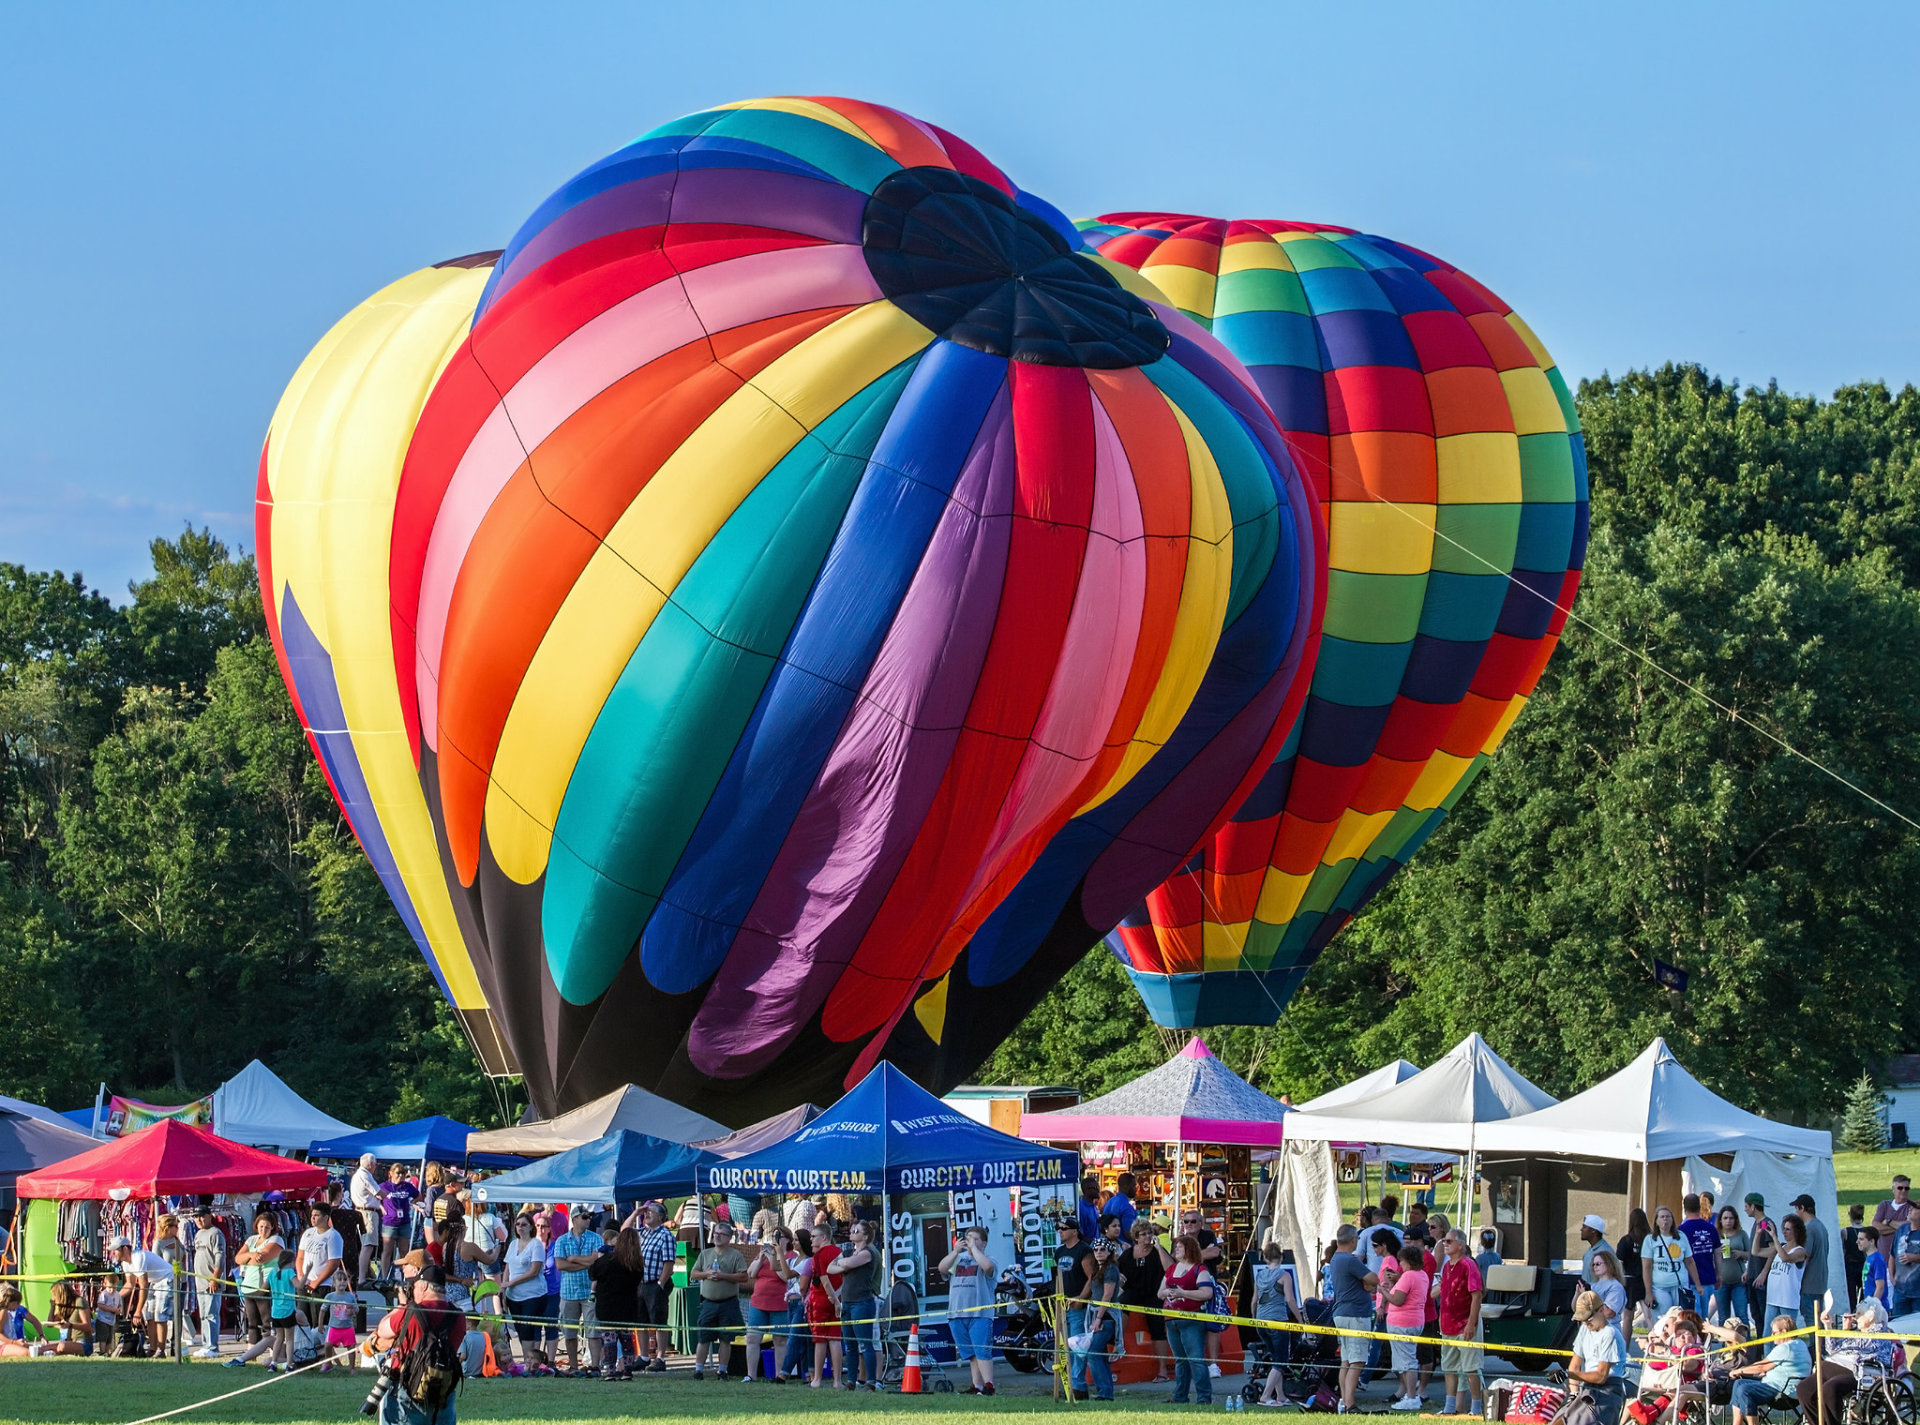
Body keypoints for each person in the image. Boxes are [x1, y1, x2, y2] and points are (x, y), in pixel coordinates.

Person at [369, 1266, 468, 1425]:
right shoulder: (459, 1317)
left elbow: (382, 1331)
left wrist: (402, 1305)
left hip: (411, 1388)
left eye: (414, 1286)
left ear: (424, 1286)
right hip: (444, 1388)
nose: (412, 1290)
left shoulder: (410, 1312)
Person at [1798, 1297, 1898, 1423]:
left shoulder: (1879, 1331)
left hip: (1858, 1372)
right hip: (1832, 1367)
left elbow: (1864, 1344)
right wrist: (1828, 1325)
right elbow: (1832, 1349)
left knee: (1830, 1388)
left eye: (1859, 1314)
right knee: (1804, 1389)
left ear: (1871, 1316)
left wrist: (1846, 1332)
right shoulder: (1856, 1332)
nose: (1855, 1317)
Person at [1157, 1233, 1216, 1407]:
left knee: (1196, 1359)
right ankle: (1180, 1396)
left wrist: (1183, 1293)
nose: (1176, 1249)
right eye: (1175, 1247)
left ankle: (1204, 1397)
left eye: (1180, 1247)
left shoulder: (1200, 1269)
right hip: (1171, 1319)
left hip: (1192, 1320)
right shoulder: (1171, 1269)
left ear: (1189, 1249)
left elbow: (1207, 1293)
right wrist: (1168, 1292)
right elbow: (1160, 1293)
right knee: (1180, 1360)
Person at [691, 1218, 750, 1382]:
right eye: (716, 1233)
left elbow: (744, 1276)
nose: (717, 1236)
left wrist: (723, 1276)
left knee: (726, 1338)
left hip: (728, 1302)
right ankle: (698, 1370)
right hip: (708, 1302)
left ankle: (722, 1370)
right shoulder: (705, 1254)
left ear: (729, 1238)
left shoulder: (735, 1255)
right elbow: (694, 1274)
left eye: (721, 1234)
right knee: (704, 1337)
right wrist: (706, 1274)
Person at [1329, 1224, 1379, 1413]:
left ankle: (1343, 1401)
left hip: (1341, 1312)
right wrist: (1368, 1282)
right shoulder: (1350, 1260)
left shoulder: (1335, 1258)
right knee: (1357, 1361)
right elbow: (1373, 1279)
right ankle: (1350, 1404)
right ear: (1352, 1240)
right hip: (1355, 1314)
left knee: (1346, 1361)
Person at [825, 1218, 880, 1389]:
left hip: (862, 1303)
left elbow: (847, 1263)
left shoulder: (868, 1252)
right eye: (852, 1230)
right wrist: (844, 1265)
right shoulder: (848, 1252)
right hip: (847, 1303)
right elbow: (829, 1268)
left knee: (865, 1342)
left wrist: (843, 1265)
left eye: (856, 1231)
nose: (852, 1232)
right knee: (850, 1344)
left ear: (864, 1237)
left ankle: (871, 1381)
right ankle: (851, 1380)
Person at [1437, 1228, 1486, 1417]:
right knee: (1449, 1368)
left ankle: (1476, 1408)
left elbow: (1476, 1296)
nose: (1445, 1244)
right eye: (1444, 1241)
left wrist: (1470, 1324)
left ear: (1461, 1245)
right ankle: (1450, 1408)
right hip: (1448, 1325)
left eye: (1449, 1241)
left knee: (1470, 1368)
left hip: (1465, 1324)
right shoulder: (1447, 1266)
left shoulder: (1468, 1265)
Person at [1726, 1313, 1808, 1425]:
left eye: (1774, 1332)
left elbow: (1761, 1366)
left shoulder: (1786, 1347)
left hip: (1783, 1391)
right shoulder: (1800, 1344)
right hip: (1786, 1387)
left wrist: (1739, 1370)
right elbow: (1771, 1365)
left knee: (1744, 1390)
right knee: (1739, 1383)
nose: (1771, 1335)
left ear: (1784, 1332)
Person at [1116, 1218, 1172, 1380]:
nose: (1147, 1237)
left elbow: (1169, 1268)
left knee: (1157, 1326)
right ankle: (1118, 1343)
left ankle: (1162, 1370)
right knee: (1121, 1304)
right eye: (1143, 1234)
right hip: (1133, 1291)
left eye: (1150, 1233)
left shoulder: (1156, 1252)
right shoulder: (1127, 1254)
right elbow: (1116, 1272)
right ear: (1136, 1237)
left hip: (1154, 1293)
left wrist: (1159, 1248)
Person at [587, 1226, 644, 1380]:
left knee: (609, 1340)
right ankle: (627, 1370)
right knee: (626, 1338)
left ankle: (610, 1371)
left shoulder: (607, 1260)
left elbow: (592, 1273)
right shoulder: (636, 1264)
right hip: (627, 1306)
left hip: (607, 1306)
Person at [551, 1206, 603, 1375]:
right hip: (569, 1292)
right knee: (569, 1332)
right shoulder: (562, 1240)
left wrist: (573, 1260)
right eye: (585, 1217)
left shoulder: (596, 1238)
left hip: (590, 1291)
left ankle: (595, 1367)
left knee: (593, 1332)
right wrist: (587, 1262)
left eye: (589, 1216)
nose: (588, 1219)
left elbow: (599, 1263)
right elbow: (560, 1265)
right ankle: (574, 1366)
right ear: (574, 1219)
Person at [227, 1212, 283, 1368]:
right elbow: (238, 1259)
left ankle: (274, 1355)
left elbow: (264, 1258)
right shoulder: (251, 1240)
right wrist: (251, 1254)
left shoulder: (276, 1240)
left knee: (268, 1322)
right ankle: (250, 1355)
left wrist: (248, 1258)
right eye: (261, 1226)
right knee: (252, 1322)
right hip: (248, 1285)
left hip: (266, 1285)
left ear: (272, 1227)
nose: (263, 1229)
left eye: (266, 1226)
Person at [1071, 1236, 1122, 1403]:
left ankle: (1104, 1392)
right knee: (1100, 1355)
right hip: (1097, 1315)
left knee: (1092, 1353)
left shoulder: (1111, 1269)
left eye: (1102, 1249)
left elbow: (1107, 1296)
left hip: (1106, 1318)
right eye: (1096, 1249)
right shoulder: (1097, 1270)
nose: (1099, 1252)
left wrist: (1098, 1318)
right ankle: (1106, 1392)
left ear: (1109, 1252)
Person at [1252, 1241, 1302, 1407]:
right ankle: (1266, 1396)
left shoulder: (1259, 1276)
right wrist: (1300, 1320)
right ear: (1281, 1256)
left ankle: (1280, 1395)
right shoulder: (1284, 1275)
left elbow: (1254, 1300)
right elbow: (1290, 1299)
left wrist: (1254, 1317)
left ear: (1265, 1259)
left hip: (1261, 1321)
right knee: (1281, 1360)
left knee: (1275, 1359)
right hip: (1278, 1322)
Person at [1381, 1242, 1427, 1411]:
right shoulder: (1421, 1275)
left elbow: (1397, 1300)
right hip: (1415, 1321)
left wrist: (1383, 1291)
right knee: (1405, 1360)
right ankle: (1409, 1394)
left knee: (1408, 1362)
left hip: (1403, 1323)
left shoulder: (1408, 1276)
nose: (1399, 1265)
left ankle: (1411, 1397)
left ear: (1408, 1261)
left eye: (1401, 1261)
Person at [743, 1225, 793, 1382]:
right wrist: (761, 1259)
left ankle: (779, 1375)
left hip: (780, 1303)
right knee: (752, 1337)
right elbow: (751, 1273)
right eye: (774, 1237)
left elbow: (786, 1277)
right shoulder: (764, 1254)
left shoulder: (791, 1256)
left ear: (787, 1240)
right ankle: (751, 1375)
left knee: (780, 1339)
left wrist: (774, 1258)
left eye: (780, 1237)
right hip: (759, 1301)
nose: (776, 1240)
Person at [1567, 1291, 1626, 1423]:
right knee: (1559, 1420)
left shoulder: (1610, 1334)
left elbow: (1600, 1376)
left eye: (1588, 1319)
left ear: (1602, 1310)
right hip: (1587, 1387)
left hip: (1609, 1391)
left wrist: (1568, 1375)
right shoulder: (1584, 1329)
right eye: (1582, 1321)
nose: (1586, 1324)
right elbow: (1574, 1365)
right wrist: (1573, 1393)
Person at [111, 1234, 174, 1357]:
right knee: (149, 1316)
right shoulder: (125, 1263)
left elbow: (143, 1285)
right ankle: (152, 1349)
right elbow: (130, 1284)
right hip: (154, 1282)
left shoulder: (138, 1257)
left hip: (167, 1278)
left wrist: (138, 1311)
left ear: (125, 1249)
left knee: (159, 1315)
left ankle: (161, 1351)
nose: (114, 1253)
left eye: (115, 1250)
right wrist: (115, 1298)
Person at [498, 1214, 548, 1367]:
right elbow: (507, 1267)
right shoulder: (513, 1244)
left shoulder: (536, 1245)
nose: (520, 1227)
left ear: (531, 1227)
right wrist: (505, 1286)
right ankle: (530, 1362)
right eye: (518, 1224)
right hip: (514, 1296)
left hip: (533, 1295)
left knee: (527, 1330)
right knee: (520, 1330)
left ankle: (529, 1365)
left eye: (524, 1224)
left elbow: (534, 1271)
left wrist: (511, 1282)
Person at [635, 1201, 677, 1374]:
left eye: (650, 1212)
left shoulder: (665, 1235)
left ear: (660, 1217)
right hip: (641, 1283)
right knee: (640, 1321)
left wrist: (660, 1283)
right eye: (645, 1212)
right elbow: (624, 1231)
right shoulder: (642, 1233)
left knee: (658, 1321)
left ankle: (660, 1357)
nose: (647, 1214)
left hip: (655, 1284)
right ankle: (643, 1356)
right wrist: (636, 1211)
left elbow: (669, 1262)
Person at [1055, 1217, 1096, 1399]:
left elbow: (1092, 1277)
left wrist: (1081, 1298)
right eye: (1059, 1228)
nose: (1060, 1231)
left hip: (1078, 1305)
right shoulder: (1059, 1252)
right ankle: (1067, 1385)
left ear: (1074, 1231)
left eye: (1064, 1228)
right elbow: (1058, 1276)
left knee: (1077, 1346)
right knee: (1064, 1347)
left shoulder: (1084, 1251)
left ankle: (1079, 1387)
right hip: (1063, 1304)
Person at [803, 1218, 844, 1388]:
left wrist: (833, 1299)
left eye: (814, 1236)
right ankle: (837, 1381)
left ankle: (817, 1379)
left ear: (824, 1238)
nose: (811, 1240)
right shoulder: (839, 1251)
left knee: (819, 1340)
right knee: (835, 1339)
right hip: (837, 1299)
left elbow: (824, 1280)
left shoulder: (819, 1255)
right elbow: (844, 1278)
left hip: (820, 1300)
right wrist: (838, 1298)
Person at [1642, 1206, 1703, 1316]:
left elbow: (1689, 1262)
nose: (1665, 1219)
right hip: (1659, 1287)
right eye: (1662, 1217)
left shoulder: (1681, 1237)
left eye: (1668, 1217)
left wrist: (1698, 1285)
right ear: (1656, 1221)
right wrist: (1648, 1292)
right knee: (1663, 1320)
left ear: (1672, 1220)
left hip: (1680, 1285)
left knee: (1682, 1318)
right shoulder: (1650, 1239)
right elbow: (1647, 1267)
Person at [188, 1203, 226, 1359]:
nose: (199, 1219)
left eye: (202, 1216)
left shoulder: (215, 1233)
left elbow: (220, 1256)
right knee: (203, 1315)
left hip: (211, 1281)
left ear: (209, 1216)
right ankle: (205, 1345)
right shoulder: (198, 1234)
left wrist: (214, 1277)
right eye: (196, 1217)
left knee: (211, 1314)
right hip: (200, 1282)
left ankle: (212, 1346)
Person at [1760, 1212, 1809, 1327]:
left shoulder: (1800, 1251)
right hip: (1772, 1299)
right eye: (1784, 1229)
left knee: (1787, 1335)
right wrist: (1758, 1233)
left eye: (1788, 1229)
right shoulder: (1780, 1247)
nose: (1784, 1232)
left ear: (1796, 1232)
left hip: (1788, 1302)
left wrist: (1774, 1237)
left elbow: (1786, 1258)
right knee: (1767, 1336)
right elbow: (1756, 1252)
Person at [1790, 1194, 1828, 1325]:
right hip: (1820, 1282)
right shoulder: (1821, 1226)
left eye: (1796, 1208)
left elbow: (1805, 1254)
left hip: (1809, 1283)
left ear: (1802, 1208)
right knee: (1819, 1318)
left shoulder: (1809, 1228)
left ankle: (1816, 1345)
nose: (1796, 1212)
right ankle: (1821, 1344)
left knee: (1811, 1319)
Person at [298, 1202, 346, 1307]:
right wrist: (301, 1276)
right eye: (312, 1215)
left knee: (318, 1318)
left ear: (326, 1217)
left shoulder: (333, 1236)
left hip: (322, 1285)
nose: (313, 1218)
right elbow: (300, 1257)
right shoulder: (308, 1233)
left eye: (316, 1215)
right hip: (305, 1283)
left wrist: (316, 1282)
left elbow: (333, 1263)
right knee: (302, 1316)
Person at [1711, 1205, 1750, 1327]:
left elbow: (1751, 1255)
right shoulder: (1715, 1235)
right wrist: (1717, 1253)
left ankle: (1746, 1344)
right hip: (1721, 1282)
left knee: (1742, 1315)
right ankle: (1725, 1344)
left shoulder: (1741, 1234)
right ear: (1720, 1220)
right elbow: (1707, 1255)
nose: (1728, 1221)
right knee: (1723, 1317)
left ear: (1735, 1220)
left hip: (1739, 1281)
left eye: (1731, 1218)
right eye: (1725, 1218)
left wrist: (1741, 1253)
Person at [378, 1165, 419, 1282]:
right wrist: (381, 1208)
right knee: (387, 1251)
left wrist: (412, 1203)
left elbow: (418, 1196)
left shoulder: (407, 1186)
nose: (400, 1176)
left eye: (402, 1173)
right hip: (389, 1222)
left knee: (404, 1252)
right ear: (391, 1173)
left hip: (404, 1222)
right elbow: (375, 1198)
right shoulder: (384, 1186)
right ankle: (385, 1278)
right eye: (398, 1173)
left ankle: (404, 1278)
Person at [1741, 1195, 1775, 1328]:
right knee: (1756, 1315)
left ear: (1753, 1207)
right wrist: (1748, 1271)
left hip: (1761, 1280)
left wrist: (1763, 1273)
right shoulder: (1756, 1224)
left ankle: (1764, 1347)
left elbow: (1773, 1251)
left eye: (1746, 1206)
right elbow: (1753, 1253)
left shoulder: (1765, 1224)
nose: (1745, 1210)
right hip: (1752, 1276)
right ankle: (1760, 1347)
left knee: (1763, 1314)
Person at [151, 1214, 182, 1355]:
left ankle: (176, 1346)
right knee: (161, 1316)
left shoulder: (177, 1240)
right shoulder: (159, 1243)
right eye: (175, 1226)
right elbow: (155, 1264)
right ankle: (161, 1348)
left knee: (178, 1315)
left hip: (180, 1281)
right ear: (167, 1227)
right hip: (164, 1283)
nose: (177, 1228)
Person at [1678, 1194, 1720, 1296]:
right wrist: (1718, 1274)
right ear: (1699, 1207)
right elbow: (1718, 1253)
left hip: (1689, 1280)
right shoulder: (1711, 1228)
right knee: (1704, 1311)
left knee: (1693, 1311)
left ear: (1685, 1209)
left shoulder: (1681, 1230)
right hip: (1708, 1277)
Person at [351, 1154, 383, 1281]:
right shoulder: (365, 1175)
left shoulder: (358, 1175)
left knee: (366, 1245)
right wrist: (391, 1196)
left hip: (362, 1211)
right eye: (375, 1164)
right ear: (369, 1164)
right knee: (368, 1245)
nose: (375, 1167)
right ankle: (362, 1278)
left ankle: (364, 1275)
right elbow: (378, 1193)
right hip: (367, 1213)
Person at [321, 1267, 360, 1373]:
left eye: (344, 1279)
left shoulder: (350, 1297)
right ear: (334, 1283)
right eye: (340, 1279)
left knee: (351, 1347)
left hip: (348, 1327)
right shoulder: (330, 1296)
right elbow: (323, 1310)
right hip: (334, 1327)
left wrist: (352, 1311)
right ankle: (328, 1363)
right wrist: (320, 1325)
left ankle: (352, 1367)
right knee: (328, 1345)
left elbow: (357, 1309)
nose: (342, 1282)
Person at [1618, 1207, 1650, 1326]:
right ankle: (1656, 1338)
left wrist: (1621, 1281)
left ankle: (1625, 1344)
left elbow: (1619, 1262)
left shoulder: (1626, 1240)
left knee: (1627, 1317)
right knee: (1648, 1315)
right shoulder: (1649, 1240)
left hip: (1629, 1281)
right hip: (1646, 1280)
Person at [1891, 1200, 1920, 1317]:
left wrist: (1915, 1258)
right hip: (1900, 1290)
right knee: (1898, 1325)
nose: (1910, 1209)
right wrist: (1892, 1278)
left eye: (1914, 1208)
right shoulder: (1901, 1230)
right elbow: (1892, 1255)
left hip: (1918, 1292)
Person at [1590, 1249, 1629, 1323]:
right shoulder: (1593, 1285)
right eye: (1593, 1264)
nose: (1595, 1266)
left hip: (1610, 1328)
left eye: (1598, 1264)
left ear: (1608, 1264)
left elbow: (1609, 1313)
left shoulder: (1615, 1286)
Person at [1858, 1224, 1890, 1312]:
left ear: (1872, 1241)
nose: (1857, 1242)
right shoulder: (1869, 1258)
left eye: (1861, 1239)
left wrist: (1873, 1307)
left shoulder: (1877, 1259)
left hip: (1878, 1309)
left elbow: (1880, 1286)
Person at [1580, 1214, 1614, 1285]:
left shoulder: (1606, 1252)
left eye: (1584, 1227)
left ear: (1593, 1230)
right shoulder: (1589, 1251)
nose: (1581, 1229)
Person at [1843, 1206, 1867, 1309]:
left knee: (1851, 1293)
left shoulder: (1845, 1231)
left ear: (1850, 1215)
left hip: (1850, 1265)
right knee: (1863, 1291)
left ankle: (1852, 1311)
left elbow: (1843, 1250)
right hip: (1863, 1263)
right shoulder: (1867, 1231)